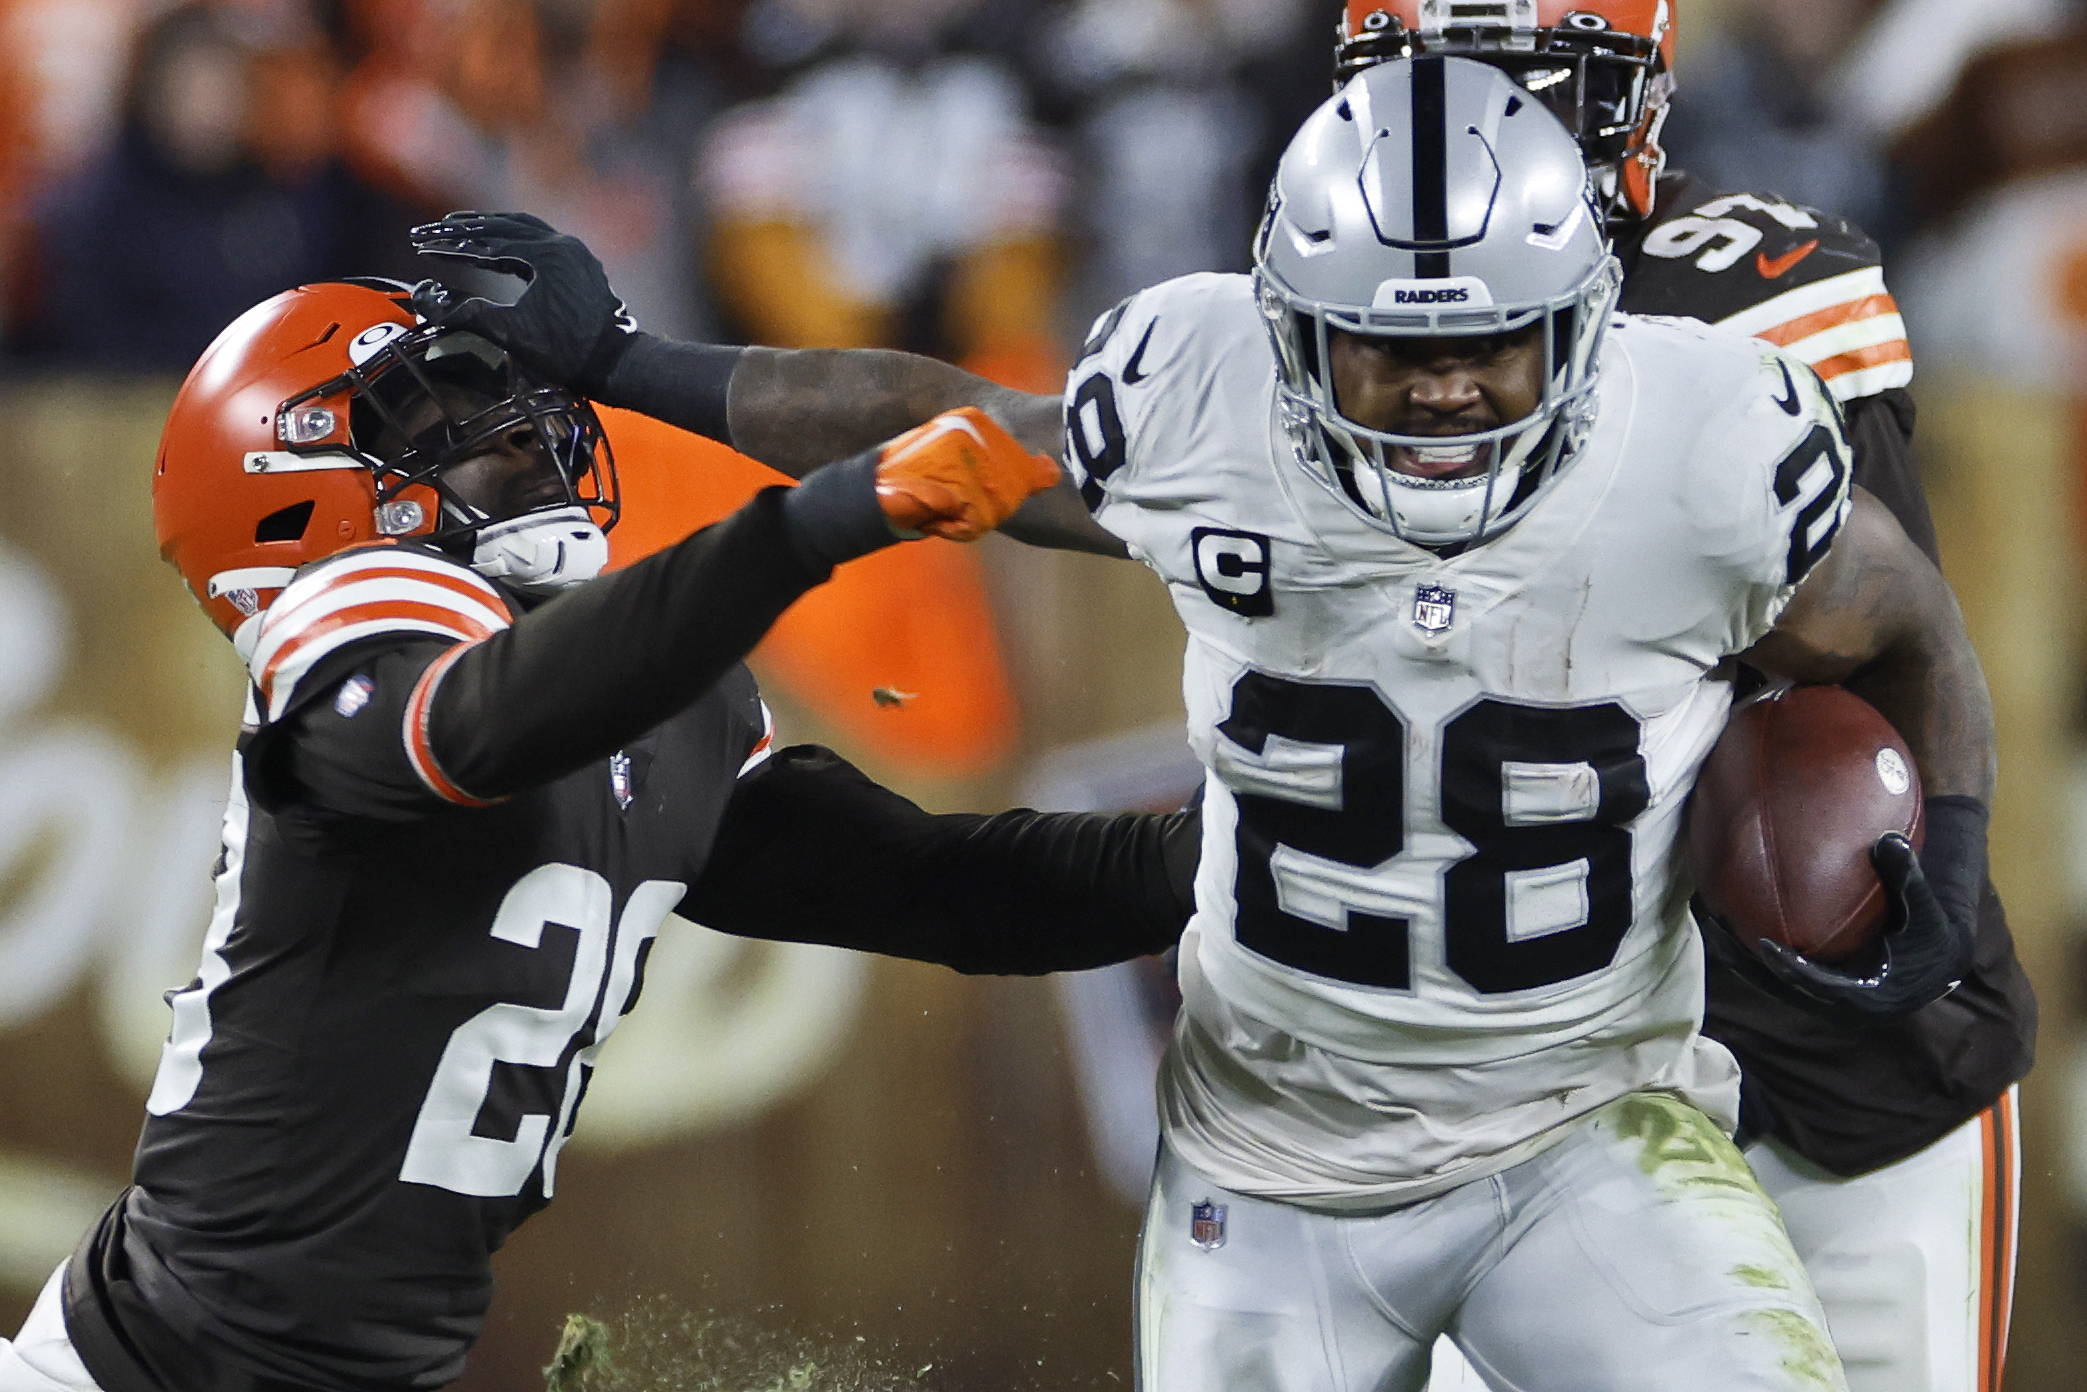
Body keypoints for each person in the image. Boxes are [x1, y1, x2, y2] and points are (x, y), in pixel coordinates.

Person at [407, 53, 1995, 1388]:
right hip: (1270, 1168)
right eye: (1391, 350)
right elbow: (922, 422)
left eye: (1485, 347)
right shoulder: (1200, 400)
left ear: (1583, 327)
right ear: (1288, 334)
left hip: (1590, 1135)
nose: (1443, 391)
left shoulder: (1705, 443)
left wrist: (1953, 854)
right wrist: (631, 365)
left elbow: (1912, 618)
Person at [0, 277, 1200, 1392]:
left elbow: (940, 886)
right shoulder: (352, 640)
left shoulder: (655, 706)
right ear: (293, 480)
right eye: (434, 412)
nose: (521, 434)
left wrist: (1232, 862)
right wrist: (811, 525)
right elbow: (479, 722)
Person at [1326, 7, 2032, 1389]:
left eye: (1520, 93)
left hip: (1836, 1047)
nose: (1471, 141)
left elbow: (1900, 642)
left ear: (1622, 100)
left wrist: (1934, 855)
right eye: (1431, 94)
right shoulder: (1304, 325)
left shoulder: (1752, 290)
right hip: (1528, 1066)